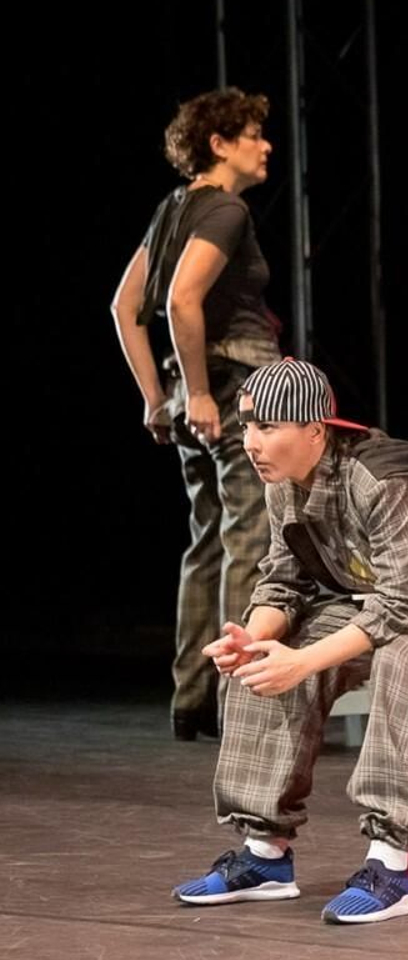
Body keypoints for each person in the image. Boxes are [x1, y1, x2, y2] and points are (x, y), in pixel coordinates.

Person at [170, 358, 408, 923]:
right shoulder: (284, 483)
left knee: (406, 659)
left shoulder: (383, 479)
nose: (251, 443)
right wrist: (251, 636)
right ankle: (264, 857)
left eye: (267, 428)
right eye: (247, 427)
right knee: (262, 663)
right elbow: (284, 582)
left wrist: (303, 661)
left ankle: (391, 866)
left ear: (315, 429)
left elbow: (402, 606)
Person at [111, 88, 283, 739]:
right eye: (253, 133)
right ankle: (237, 700)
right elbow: (182, 299)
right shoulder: (227, 210)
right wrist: (205, 392)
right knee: (247, 536)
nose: (265, 145)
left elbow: (124, 309)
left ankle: (193, 697)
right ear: (218, 143)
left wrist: (161, 397)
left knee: (207, 537)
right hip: (232, 384)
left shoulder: (169, 210)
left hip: (194, 390)